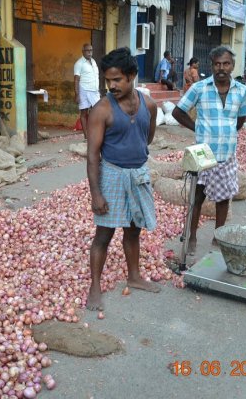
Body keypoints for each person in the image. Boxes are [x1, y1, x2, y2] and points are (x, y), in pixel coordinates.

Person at [85, 47, 160, 311]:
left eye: (117, 79)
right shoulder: (101, 110)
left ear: (132, 76)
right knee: (103, 234)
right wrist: (96, 193)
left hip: (138, 175)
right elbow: (92, 155)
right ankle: (95, 286)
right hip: (112, 175)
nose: (112, 85)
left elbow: (146, 138)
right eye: (108, 80)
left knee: (133, 229)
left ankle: (135, 276)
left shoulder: (148, 105)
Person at [171, 46, 246, 254]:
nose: (221, 68)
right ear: (212, 65)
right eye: (217, 64)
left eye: (226, 64)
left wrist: (228, 132)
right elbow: (178, 112)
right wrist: (196, 127)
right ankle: (192, 237)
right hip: (203, 154)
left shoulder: (241, 90)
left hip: (227, 154)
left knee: (223, 199)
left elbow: (241, 118)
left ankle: (219, 237)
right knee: (196, 198)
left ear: (232, 66)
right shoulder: (200, 88)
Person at [74, 43, 101, 139]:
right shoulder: (79, 63)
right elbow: (76, 79)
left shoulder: (93, 61)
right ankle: (86, 136)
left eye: (91, 50)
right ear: (83, 51)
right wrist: (77, 94)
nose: (90, 52)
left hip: (94, 91)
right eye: (87, 50)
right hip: (84, 90)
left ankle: (96, 133)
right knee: (84, 113)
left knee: (98, 112)